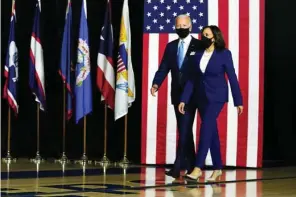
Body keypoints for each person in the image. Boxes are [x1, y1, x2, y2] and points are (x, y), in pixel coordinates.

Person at [178, 25, 243, 182]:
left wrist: (238, 101)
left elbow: (232, 77)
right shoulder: (198, 54)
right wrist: (184, 99)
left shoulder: (224, 54)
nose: (204, 37)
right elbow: (193, 79)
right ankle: (218, 168)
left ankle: (198, 167)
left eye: (207, 35)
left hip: (217, 97)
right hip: (201, 97)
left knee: (205, 126)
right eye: (203, 35)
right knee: (211, 131)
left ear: (215, 38)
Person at [150, 14, 204, 178]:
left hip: (193, 94)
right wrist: (156, 84)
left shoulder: (199, 45)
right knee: (184, 129)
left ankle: (177, 166)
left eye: (184, 25)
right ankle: (193, 166)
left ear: (191, 26)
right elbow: (164, 66)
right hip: (176, 94)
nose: (181, 28)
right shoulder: (171, 46)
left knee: (185, 128)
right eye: (178, 26)